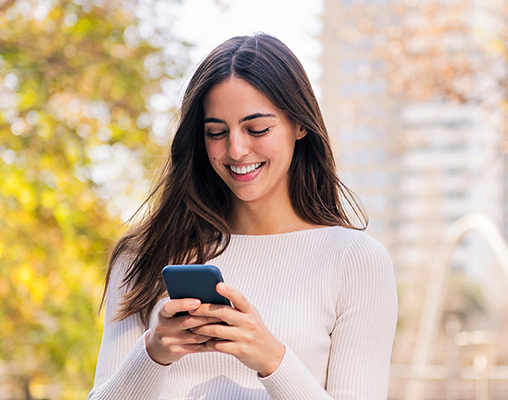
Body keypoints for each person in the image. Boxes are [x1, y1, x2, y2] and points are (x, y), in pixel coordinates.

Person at [88, 33, 397, 400]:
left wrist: (271, 359)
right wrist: (155, 352)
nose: (235, 150)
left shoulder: (355, 260)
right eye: (216, 132)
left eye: (257, 129)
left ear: (300, 125)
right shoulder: (144, 254)